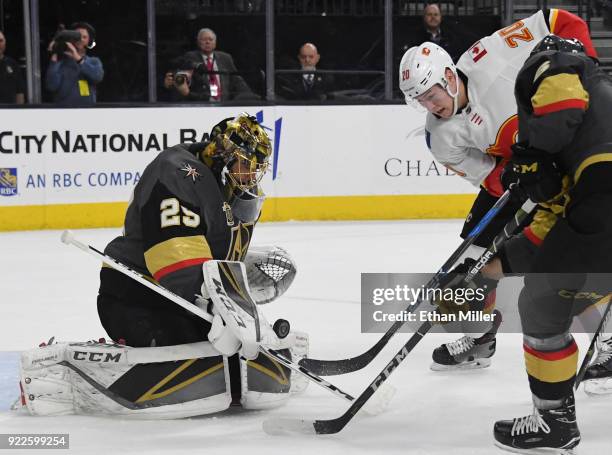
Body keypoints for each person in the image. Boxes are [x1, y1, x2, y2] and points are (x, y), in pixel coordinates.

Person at [17, 114, 307, 419]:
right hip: (139, 296)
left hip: (184, 300)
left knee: (235, 362)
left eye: (255, 167)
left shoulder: (227, 189)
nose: (250, 175)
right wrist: (224, 310)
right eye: (245, 164)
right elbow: (177, 267)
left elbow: (212, 257)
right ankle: (71, 361)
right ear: (223, 155)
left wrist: (239, 285)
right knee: (213, 358)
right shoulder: (178, 172)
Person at [398, 9, 597, 371]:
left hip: (569, 154)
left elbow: (558, 20)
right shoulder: (440, 136)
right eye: (421, 100)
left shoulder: (490, 56)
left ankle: (609, 339)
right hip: (526, 171)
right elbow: (487, 175)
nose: (430, 106)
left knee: (572, 256)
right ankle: (480, 337)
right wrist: (511, 176)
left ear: (447, 75)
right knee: (471, 261)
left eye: (431, 94)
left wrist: (582, 64)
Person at [451, 35, 612, 453]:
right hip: (596, 209)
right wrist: (486, 270)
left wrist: (528, 152)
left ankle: (555, 423)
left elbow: (559, 114)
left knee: (541, 304)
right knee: (559, 289)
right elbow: (552, 225)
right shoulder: (586, 132)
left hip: (604, 198)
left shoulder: (557, 64)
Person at [182, 28, 256, 102]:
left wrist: (251, 95)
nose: (207, 42)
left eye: (210, 40)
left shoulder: (225, 58)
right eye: (204, 39)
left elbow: (236, 80)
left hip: (223, 104)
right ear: (198, 42)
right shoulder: (191, 57)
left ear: (215, 43)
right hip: (202, 104)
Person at [45, 22, 104, 106]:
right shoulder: (60, 62)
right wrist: (55, 55)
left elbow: (97, 77)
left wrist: (78, 58)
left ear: (89, 41)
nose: (81, 39)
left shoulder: (93, 61)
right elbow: (51, 86)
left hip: (88, 111)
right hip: (63, 112)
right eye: (77, 36)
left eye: (84, 37)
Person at [0, 30, 25, 104]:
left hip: (10, 112)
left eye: (1, 41)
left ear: (5, 43)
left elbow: (19, 92)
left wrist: (20, 112)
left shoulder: (13, 64)